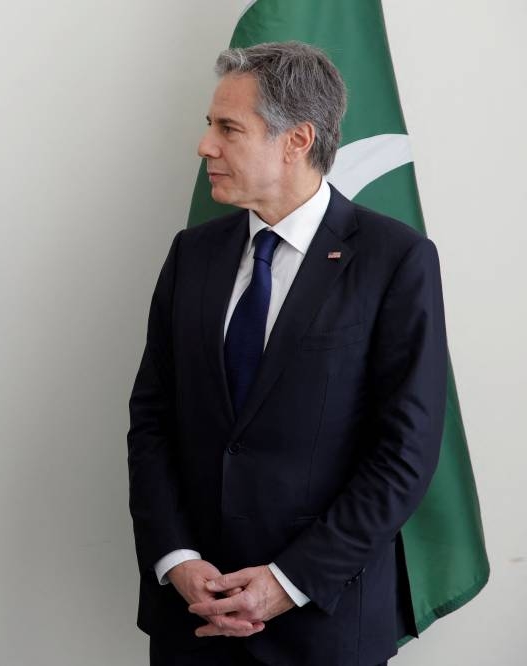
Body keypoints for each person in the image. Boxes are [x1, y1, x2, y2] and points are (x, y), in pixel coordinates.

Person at [127, 41, 447, 666]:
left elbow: (404, 454)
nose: (205, 146)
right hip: (193, 618)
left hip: (323, 626)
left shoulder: (395, 261)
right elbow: (153, 420)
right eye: (208, 125)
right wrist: (177, 557)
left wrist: (287, 581)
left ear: (296, 140)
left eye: (228, 129)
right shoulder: (192, 254)